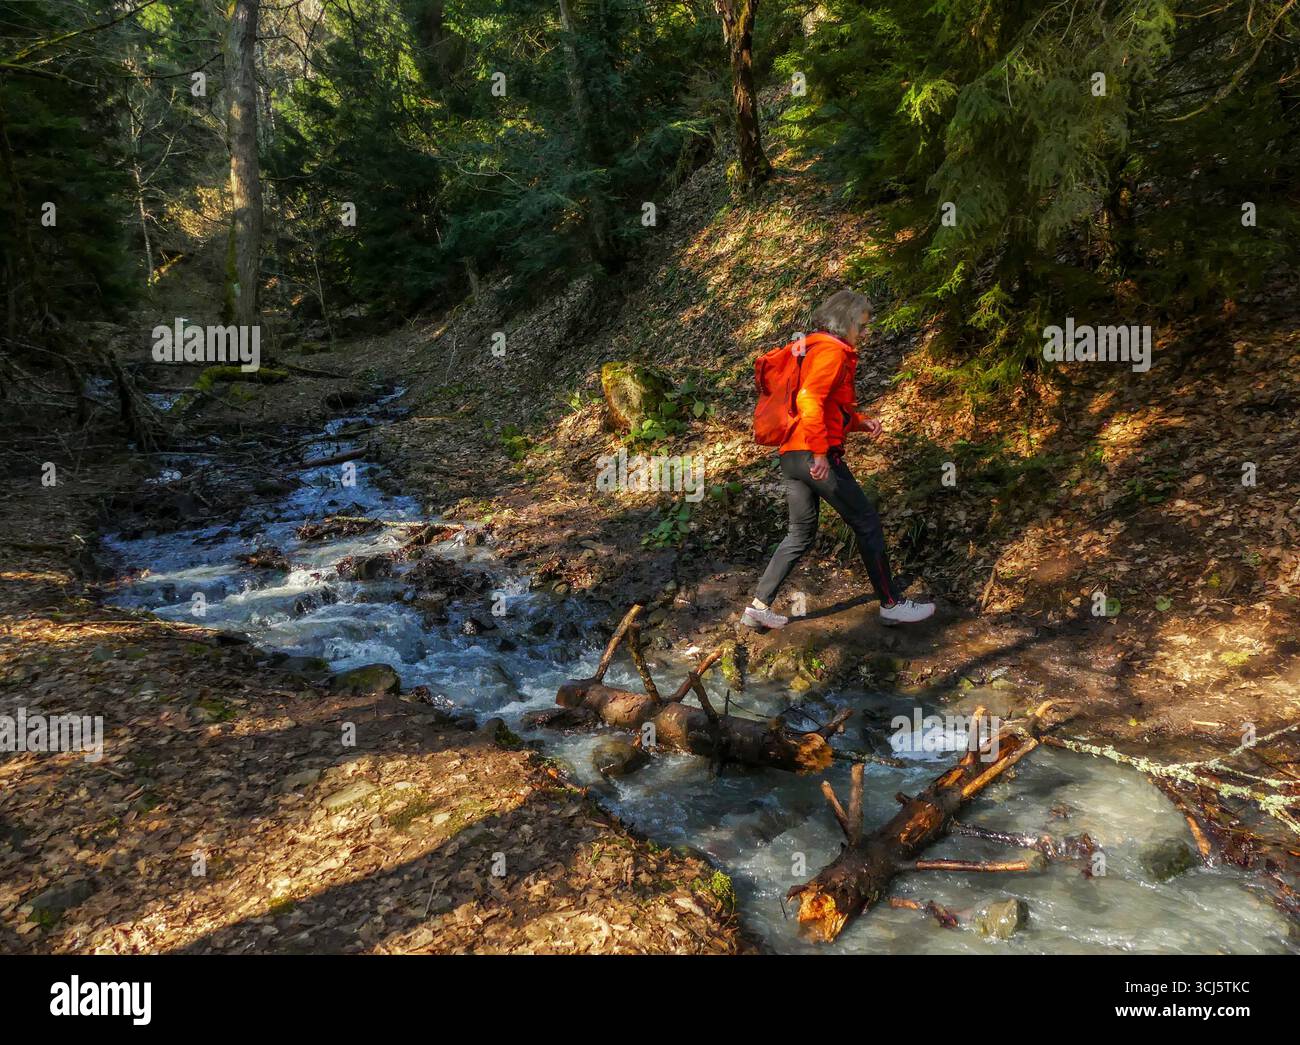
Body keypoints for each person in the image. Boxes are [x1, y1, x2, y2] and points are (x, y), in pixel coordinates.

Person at [742, 289, 935, 629]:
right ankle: (891, 603)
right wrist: (820, 453)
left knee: (799, 533)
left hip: (791, 454)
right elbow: (809, 400)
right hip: (813, 456)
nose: (864, 333)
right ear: (845, 322)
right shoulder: (831, 352)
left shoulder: (807, 349)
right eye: (861, 326)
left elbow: (828, 407)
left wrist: (860, 423)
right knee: (866, 522)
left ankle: (758, 607)